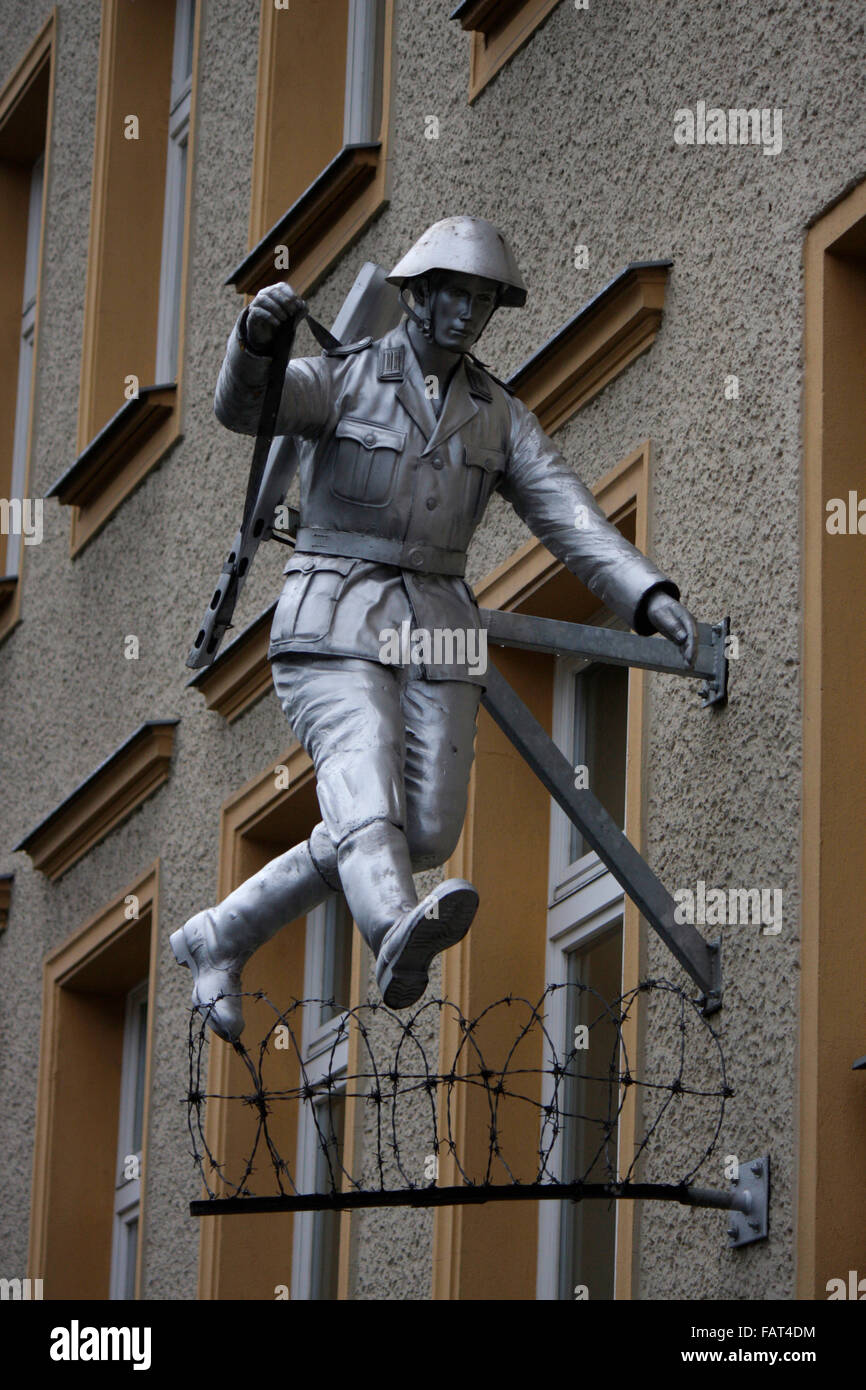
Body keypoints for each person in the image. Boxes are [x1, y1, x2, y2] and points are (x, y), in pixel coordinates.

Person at [171, 216, 697, 1041]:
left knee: (420, 829)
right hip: (335, 612)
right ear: (417, 295)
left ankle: (223, 932)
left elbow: (571, 518)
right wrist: (254, 338)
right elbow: (247, 410)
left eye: (483, 300)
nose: (467, 313)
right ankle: (393, 932)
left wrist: (647, 597)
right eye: (455, 293)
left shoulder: (497, 415)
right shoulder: (345, 376)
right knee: (361, 761)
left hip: (440, 632)